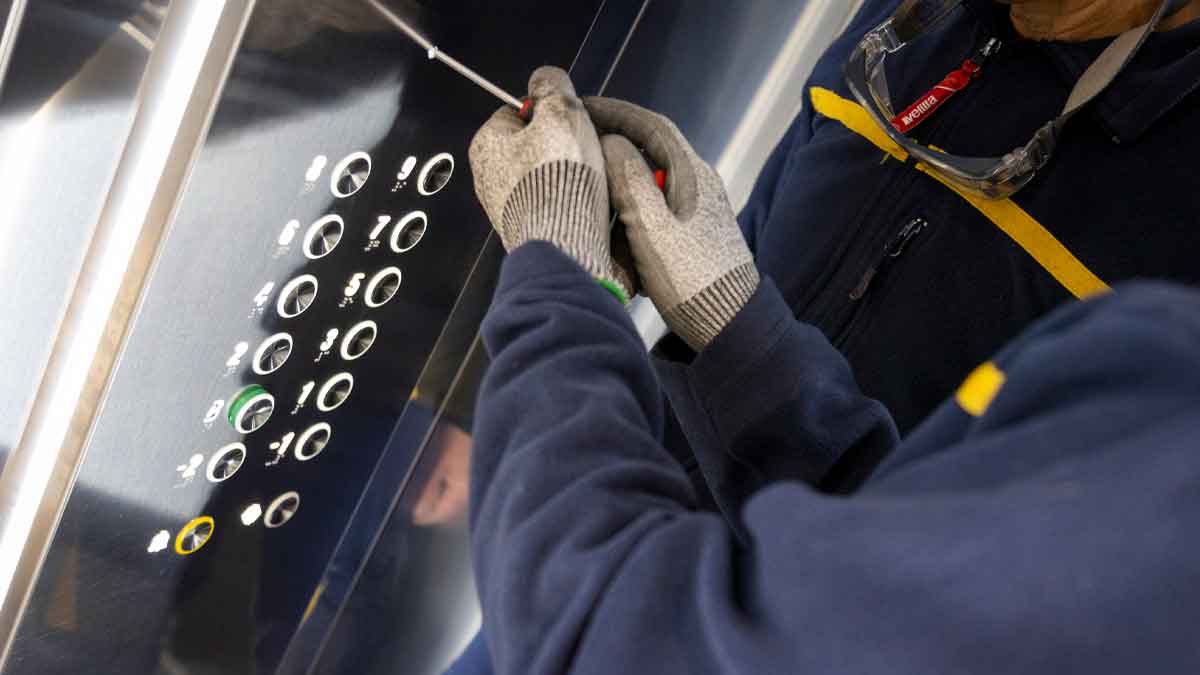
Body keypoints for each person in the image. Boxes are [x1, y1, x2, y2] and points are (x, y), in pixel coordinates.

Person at [461, 0, 1200, 670]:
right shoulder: (927, 24)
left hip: (594, 577)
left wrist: (557, 280)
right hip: (596, 523)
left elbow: (612, 642)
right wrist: (733, 319)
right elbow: (904, 521)